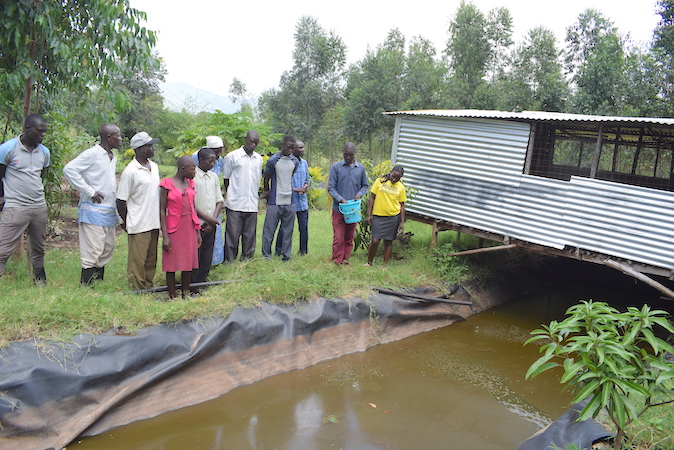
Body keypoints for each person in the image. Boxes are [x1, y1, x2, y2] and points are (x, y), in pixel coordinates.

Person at [63, 124, 121, 284]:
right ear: (109, 137)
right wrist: (90, 191)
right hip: (92, 210)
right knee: (93, 250)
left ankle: (98, 283)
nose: (121, 139)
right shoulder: (92, 154)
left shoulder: (112, 157)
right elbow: (69, 169)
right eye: (118, 135)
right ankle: (86, 286)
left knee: (106, 248)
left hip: (108, 210)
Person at [0, 114, 50, 283]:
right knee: (3, 248)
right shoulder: (8, 149)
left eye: (44, 132)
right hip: (15, 206)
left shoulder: (44, 152)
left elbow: (41, 175)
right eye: (39, 131)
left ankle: (40, 281)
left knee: (38, 247)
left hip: (38, 206)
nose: (42, 135)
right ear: (27, 128)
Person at [116, 131, 160, 290]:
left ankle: (148, 286)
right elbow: (121, 200)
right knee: (137, 260)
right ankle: (137, 289)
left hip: (153, 221)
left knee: (151, 259)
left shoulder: (154, 167)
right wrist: (127, 220)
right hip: (139, 222)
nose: (153, 148)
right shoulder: (131, 171)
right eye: (149, 146)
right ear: (140, 148)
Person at [159, 156, 201, 299]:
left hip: (189, 226)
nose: (195, 171)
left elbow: (193, 208)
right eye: (192, 169)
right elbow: (162, 210)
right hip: (173, 227)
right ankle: (172, 296)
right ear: (182, 169)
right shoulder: (167, 184)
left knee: (187, 262)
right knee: (171, 263)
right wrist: (165, 236)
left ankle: (185, 294)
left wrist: (198, 231)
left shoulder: (191, 183)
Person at [222, 130, 263, 262]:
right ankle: (229, 260)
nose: (254, 145)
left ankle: (247, 261)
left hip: (251, 203)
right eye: (251, 141)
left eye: (256, 142)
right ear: (245, 139)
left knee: (250, 235)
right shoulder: (232, 156)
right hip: (235, 203)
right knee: (232, 235)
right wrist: (232, 194)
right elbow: (226, 178)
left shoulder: (259, 159)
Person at [327, 142, 368, 265]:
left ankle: (345, 259)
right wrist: (341, 199)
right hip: (339, 208)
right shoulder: (336, 167)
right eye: (346, 154)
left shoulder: (360, 169)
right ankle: (337, 260)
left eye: (350, 154)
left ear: (355, 153)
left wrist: (359, 194)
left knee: (349, 236)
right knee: (338, 236)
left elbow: (365, 185)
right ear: (342, 152)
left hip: (353, 210)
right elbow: (331, 188)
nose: (348, 157)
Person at [261, 135, 299, 260]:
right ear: (282, 145)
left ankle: (286, 255)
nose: (290, 150)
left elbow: (290, 175)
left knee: (288, 231)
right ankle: (266, 255)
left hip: (290, 200)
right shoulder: (273, 160)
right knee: (269, 230)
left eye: (292, 148)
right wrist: (267, 192)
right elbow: (266, 177)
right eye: (288, 147)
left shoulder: (295, 161)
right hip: (274, 201)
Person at [192, 148, 223, 284]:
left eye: (214, 161)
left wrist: (212, 222)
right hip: (196, 223)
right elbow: (191, 204)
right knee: (195, 255)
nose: (213, 164)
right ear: (201, 160)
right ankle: (193, 283)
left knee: (207, 254)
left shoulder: (213, 177)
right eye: (210, 161)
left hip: (211, 224)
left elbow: (219, 200)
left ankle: (202, 282)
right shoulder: (192, 177)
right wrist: (208, 220)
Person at [365, 166, 406, 266]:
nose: (394, 179)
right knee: (375, 240)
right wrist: (368, 214)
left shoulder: (401, 187)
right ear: (391, 172)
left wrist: (401, 222)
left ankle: (384, 264)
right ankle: (369, 262)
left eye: (397, 178)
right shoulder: (380, 181)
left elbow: (402, 205)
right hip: (378, 216)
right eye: (393, 176)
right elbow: (372, 198)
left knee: (388, 241)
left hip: (393, 217)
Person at [274, 139, 310, 256]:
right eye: (300, 148)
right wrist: (296, 190)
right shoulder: (288, 163)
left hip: (302, 202)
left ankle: (303, 251)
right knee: (284, 227)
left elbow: (307, 178)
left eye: (303, 147)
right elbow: (283, 182)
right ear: (293, 149)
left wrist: (305, 186)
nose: (302, 150)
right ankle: (279, 250)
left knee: (303, 227)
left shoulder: (304, 163)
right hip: (289, 200)